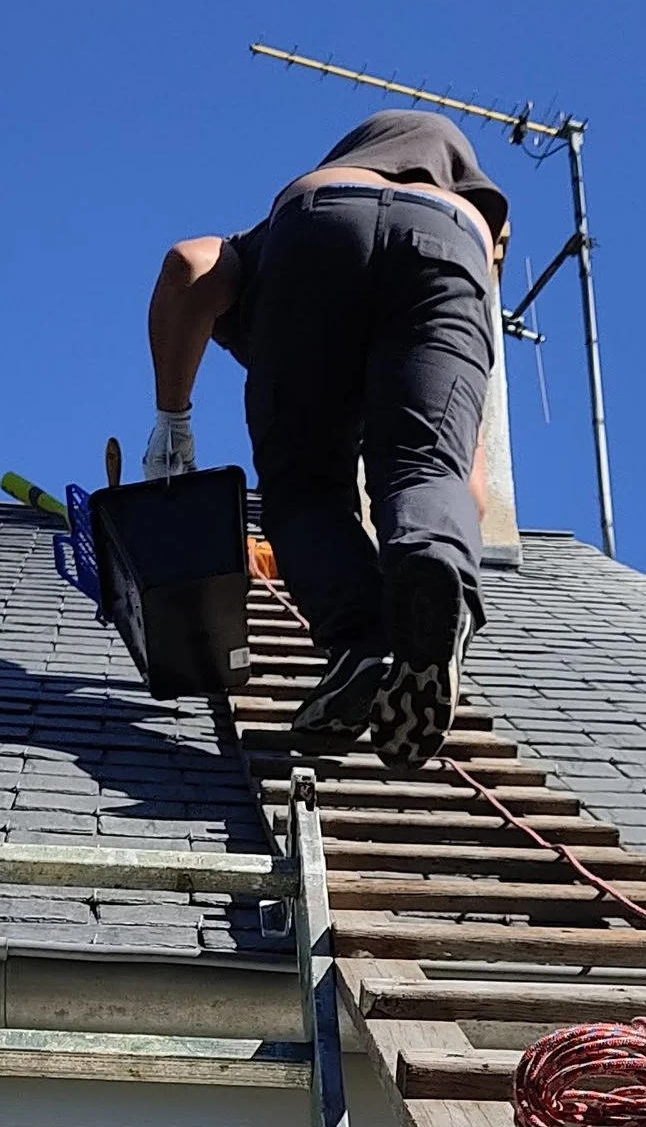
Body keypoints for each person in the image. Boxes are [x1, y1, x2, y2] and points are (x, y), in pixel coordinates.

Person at [145, 109, 506, 770]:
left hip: (321, 225)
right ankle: (430, 594)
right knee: (425, 473)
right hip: (454, 242)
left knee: (306, 488)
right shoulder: (465, 226)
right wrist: (440, 543)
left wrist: (171, 423)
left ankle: (363, 639)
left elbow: (186, 264)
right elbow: (469, 488)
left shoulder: (290, 222)